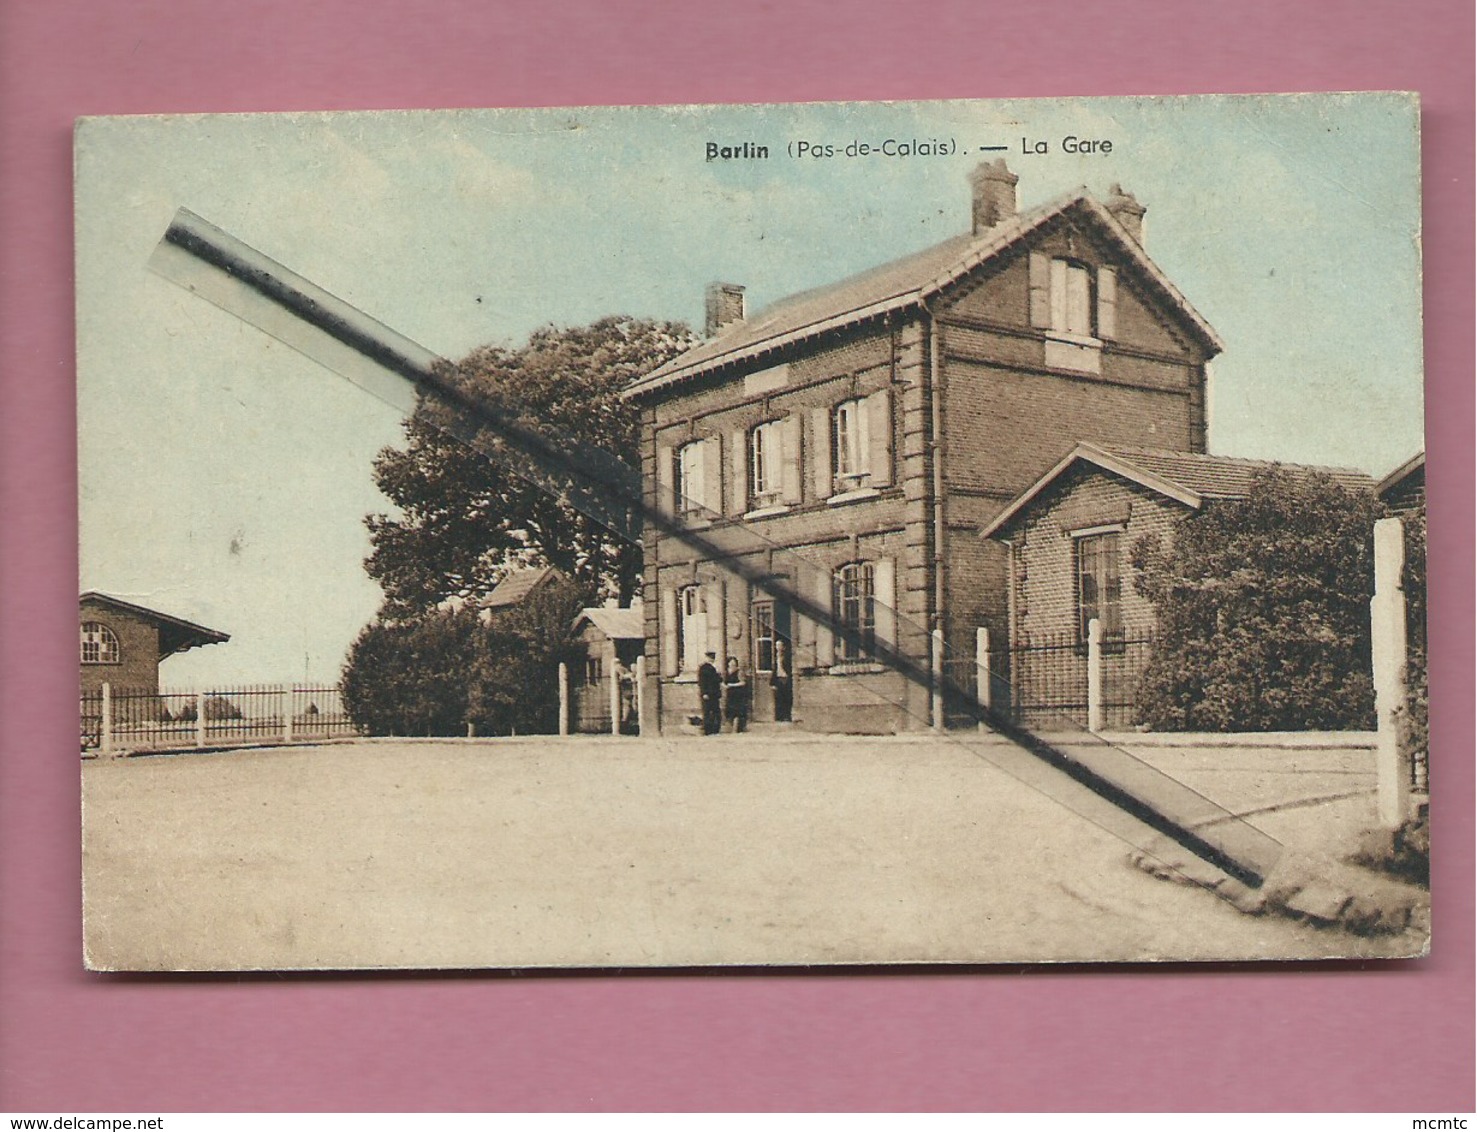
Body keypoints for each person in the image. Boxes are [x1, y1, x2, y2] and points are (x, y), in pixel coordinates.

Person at [696, 650, 723, 735]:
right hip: (708, 694)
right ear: (707, 658)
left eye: (713, 658)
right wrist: (704, 693)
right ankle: (708, 730)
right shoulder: (704, 668)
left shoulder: (713, 668)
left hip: (714, 694)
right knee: (707, 712)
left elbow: (717, 680)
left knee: (715, 712)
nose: (711, 659)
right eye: (710, 658)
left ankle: (714, 729)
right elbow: (702, 682)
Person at [723, 656, 750, 733]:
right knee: (730, 711)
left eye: (734, 663)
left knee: (737, 712)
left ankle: (737, 728)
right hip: (730, 694)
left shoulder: (739, 672)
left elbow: (743, 682)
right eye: (731, 663)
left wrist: (732, 685)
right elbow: (724, 682)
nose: (732, 665)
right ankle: (731, 728)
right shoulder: (727, 672)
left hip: (738, 694)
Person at [771, 637, 793, 723]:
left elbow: (788, 667)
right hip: (778, 678)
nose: (778, 647)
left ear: (784, 647)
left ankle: (787, 716)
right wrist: (772, 682)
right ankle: (779, 716)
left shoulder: (787, 656)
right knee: (778, 698)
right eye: (777, 645)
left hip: (786, 678)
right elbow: (774, 669)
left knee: (786, 698)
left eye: (780, 645)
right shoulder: (775, 656)